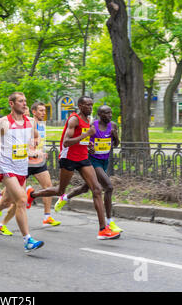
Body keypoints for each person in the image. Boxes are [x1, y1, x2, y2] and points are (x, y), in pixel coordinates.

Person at [26, 96, 120, 240]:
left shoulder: (88, 120)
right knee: (60, 191)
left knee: (97, 189)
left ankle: (103, 230)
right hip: (68, 158)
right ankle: (32, 195)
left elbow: (82, 141)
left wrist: (89, 145)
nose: (90, 107)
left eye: (91, 105)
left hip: (83, 158)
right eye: (87, 105)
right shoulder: (74, 119)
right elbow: (67, 142)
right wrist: (86, 135)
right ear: (80, 106)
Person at [0, 92, 44, 253]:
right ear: (11, 104)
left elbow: (35, 137)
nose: (25, 104)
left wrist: (34, 148)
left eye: (25, 101)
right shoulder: (3, 122)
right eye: (21, 101)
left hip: (22, 167)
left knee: (5, 203)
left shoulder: (30, 123)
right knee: (21, 200)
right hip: (6, 166)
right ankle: (28, 240)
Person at [0, 102, 60, 236]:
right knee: (18, 200)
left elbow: (38, 141)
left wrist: (40, 152)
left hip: (38, 162)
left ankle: (47, 216)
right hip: (21, 164)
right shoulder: (13, 127)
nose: (43, 113)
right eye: (40, 110)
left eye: (27, 113)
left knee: (48, 186)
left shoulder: (38, 125)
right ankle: (2, 219)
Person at [56, 105, 123, 233]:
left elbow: (115, 144)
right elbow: (83, 140)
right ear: (100, 114)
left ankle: (64, 198)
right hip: (92, 160)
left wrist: (116, 137)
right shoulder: (92, 124)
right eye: (106, 113)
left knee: (86, 187)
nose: (110, 115)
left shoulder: (113, 125)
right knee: (108, 187)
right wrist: (88, 147)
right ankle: (109, 222)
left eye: (111, 113)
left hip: (105, 160)